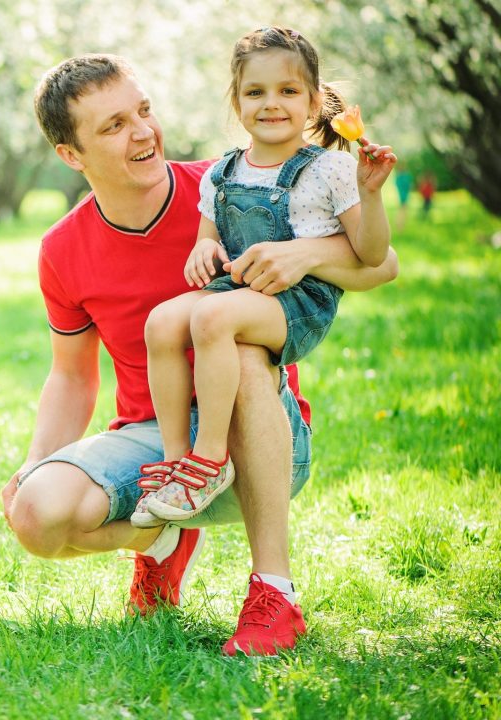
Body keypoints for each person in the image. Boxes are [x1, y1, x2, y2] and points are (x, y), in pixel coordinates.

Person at [0, 54, 398, 656]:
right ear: (71, 156)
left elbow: (383, 265)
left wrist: (306, 255)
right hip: (156, 443)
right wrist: (34, 463)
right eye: (113, 126)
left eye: (144, 110)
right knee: (36, 515)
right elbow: (71, 377)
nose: (142, 132)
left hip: (257, 432)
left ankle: (274, 593)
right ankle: (157, 539)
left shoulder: (233, 183)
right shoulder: (62, 249)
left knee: (237, 348)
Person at [135, 27, 395, 527]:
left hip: (298, 303)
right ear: (236, 102)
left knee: (210, 314)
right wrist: (204, 248)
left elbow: (371, 253)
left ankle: (209, 461)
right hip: (238, 290)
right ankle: (175, 460)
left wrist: (372, 194)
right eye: (255, 92)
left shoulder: (330, 170)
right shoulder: (222, 173)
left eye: (288, 91)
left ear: (316, 102)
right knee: (162, 323)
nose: (271, 104)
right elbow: (207, 238)